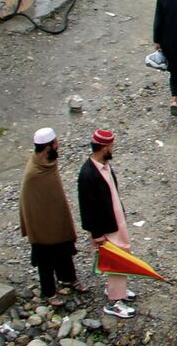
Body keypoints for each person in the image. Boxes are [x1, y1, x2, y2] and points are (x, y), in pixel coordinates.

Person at [76, 130, 136, 319]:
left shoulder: (104, 166)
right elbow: (87, 207)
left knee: (122, 256)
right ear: (104, 149)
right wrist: (96, 234)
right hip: (106, 226)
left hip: (115, 221)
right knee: (116, 260)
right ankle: (114, 302)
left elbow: (113, 192)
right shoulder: (88, 174)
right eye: (111, 147)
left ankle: (118, 289)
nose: (112, 149)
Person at [20, 128, 84, 306]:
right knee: (45, 259)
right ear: (48, 148)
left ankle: (68, 279)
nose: (58, 145)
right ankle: (49, 292)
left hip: (57, 218)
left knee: (64, 248)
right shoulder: (34, 173)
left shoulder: (49, 163)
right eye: (55, 143)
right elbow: (30, 203)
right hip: (42, 225)